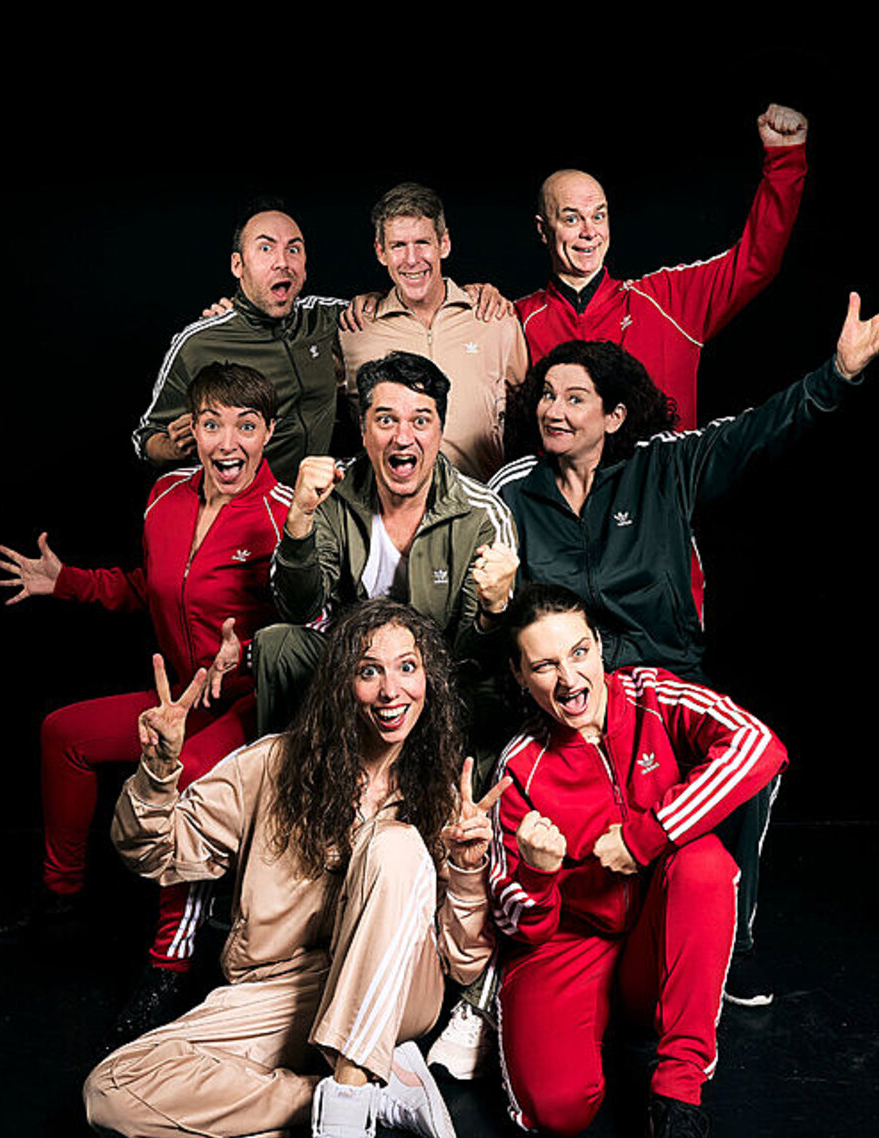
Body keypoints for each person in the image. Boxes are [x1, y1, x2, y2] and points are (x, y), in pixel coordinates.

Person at [488, 292, 878, 1008]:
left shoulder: (664, 466)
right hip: (567, 695)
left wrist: (838, 374)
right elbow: (486, 597)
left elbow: (756, 432)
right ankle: (509, 972)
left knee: (749, 774)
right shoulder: (511, 493)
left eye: (575, 398)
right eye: (546, 395)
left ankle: (731, 947)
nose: (553, 410)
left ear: (614, 416)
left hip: (665, 684)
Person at [83, 599, 506, 1138]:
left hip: (399, 992)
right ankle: (355, 1094)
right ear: (342, 683)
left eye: (408, 667)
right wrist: (159, 769)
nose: (391, 690)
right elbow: (155, 851)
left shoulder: (444, 796)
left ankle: (347, 1116)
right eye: (369, 670)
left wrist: (469, 872)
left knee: (395, 847)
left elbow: (463, 963)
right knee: (111, 1094)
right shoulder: (274, 764)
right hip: (281, 993)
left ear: (429, 681)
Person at [0, 363, 291, 1041]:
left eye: (246, 426)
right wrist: (67, 582)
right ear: (194, 430)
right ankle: (61, 900)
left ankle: (169, 963)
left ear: (268, 433)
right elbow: (147, 587)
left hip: (249, 707)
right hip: (177, 701)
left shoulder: (283, 517)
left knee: (181, 785)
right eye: (213, 424)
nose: (228, 443)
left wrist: (245, 654)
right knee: (62, 734)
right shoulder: (165, 496)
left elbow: (314, 626)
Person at [486, 582, 788, 1138]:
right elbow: (514, 921)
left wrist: (648, 836)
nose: (570, 679)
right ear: (518, 675)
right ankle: (533, 1020)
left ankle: (678, 1100)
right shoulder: (519, 768)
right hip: (571, 942)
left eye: (579, 652)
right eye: (544, 665)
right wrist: (539, 874)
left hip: (656, 934)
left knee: (703, 865)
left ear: (600, 646)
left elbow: (760, 746)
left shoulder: (652, 696)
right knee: (554, 1112)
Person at [253, 349, 518, 747]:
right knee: (279, 644)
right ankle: (286, 774)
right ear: (363, 430)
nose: (402, 437)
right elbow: (298, 609)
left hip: (441, 681)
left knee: (492, 692)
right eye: (386, 420)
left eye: (420, 421)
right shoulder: (331, 492)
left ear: (440, 432)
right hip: (355, 672)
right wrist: (299, 520)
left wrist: (492, 610)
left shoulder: (482, 515)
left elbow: (476, 660)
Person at [518, 103, 809, 431]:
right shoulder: (516, 321)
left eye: (598, 216)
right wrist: (476, 297)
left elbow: (757, 259)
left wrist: (785, 159)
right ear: (543, 229)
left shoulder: (669, 299)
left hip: (667, 465)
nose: (589, 232)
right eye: (572, 219)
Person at [132, 199, 343, 487]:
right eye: (266, 248)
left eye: (293, 250)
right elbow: (145, 439)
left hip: (315, 501)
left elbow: (393, 306)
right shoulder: (198, 343)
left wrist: (371, 301)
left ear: (305, 267)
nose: (282, 262)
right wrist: (173, 446)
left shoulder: (325, 319)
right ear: (237, 265)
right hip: (240, 507)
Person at [338, 183, 529, 481]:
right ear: (381, 252)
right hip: (389, 500)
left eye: (422, 243)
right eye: (398, 246)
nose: (412, 259)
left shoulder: (495, 320)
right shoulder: (354, 331)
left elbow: (526, 415)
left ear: (444, 244)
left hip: (480, 498)